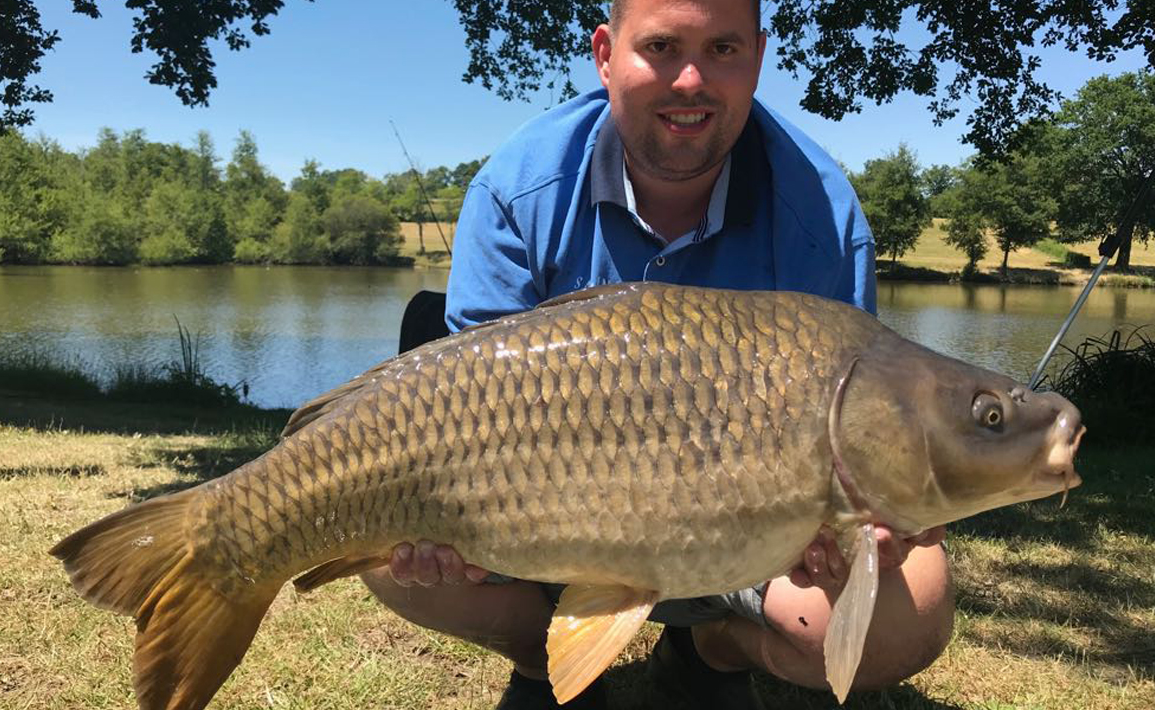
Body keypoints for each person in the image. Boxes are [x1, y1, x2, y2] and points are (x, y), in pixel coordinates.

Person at [362, 0, 953, 707]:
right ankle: (542, 656)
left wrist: (860, 523)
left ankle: (715, 650)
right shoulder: (519, 189)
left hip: (745, 536)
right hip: (546, 525)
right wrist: (441, 530)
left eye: (724, 49)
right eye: (663, 46)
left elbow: (861, 419)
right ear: (606, 54)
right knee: (375, 536)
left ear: (759, 57)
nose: (691, 80)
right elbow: (465, 409)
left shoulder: (822, 217)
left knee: (914, 605)